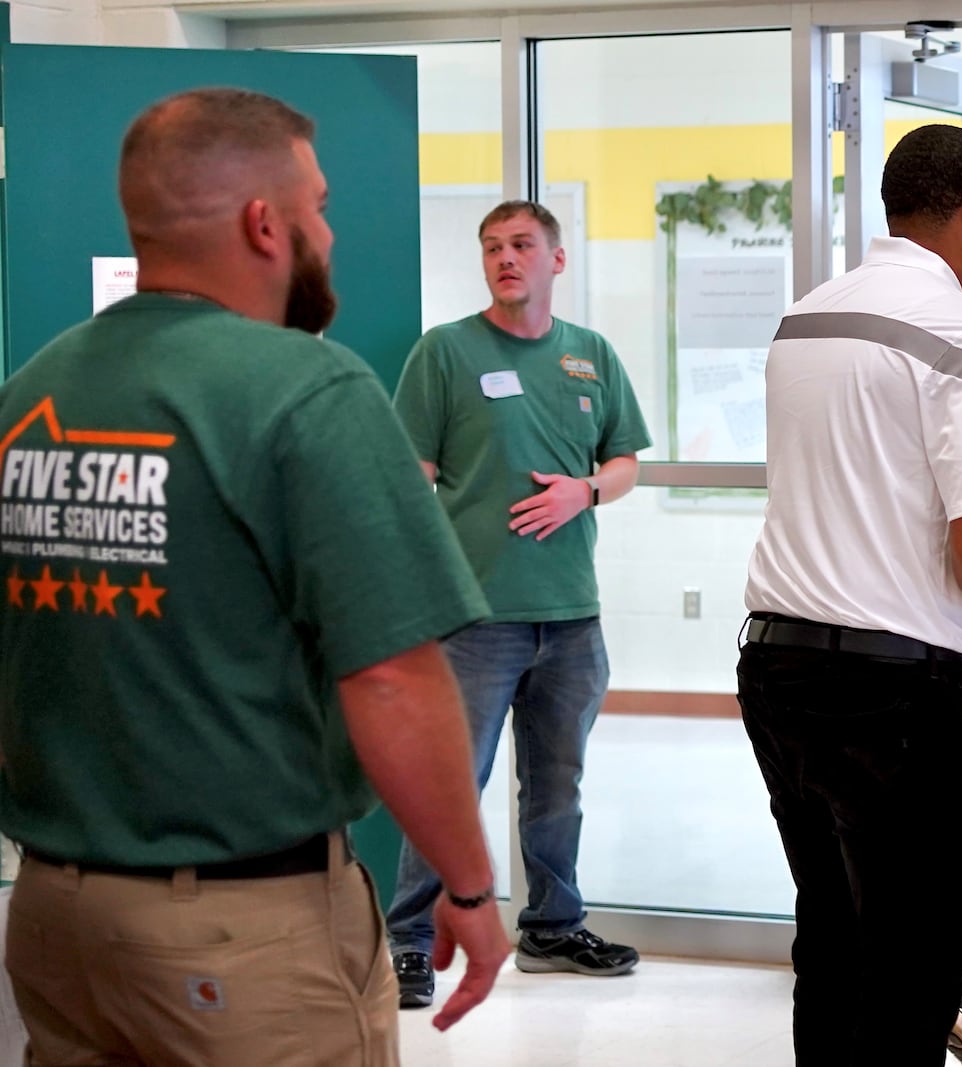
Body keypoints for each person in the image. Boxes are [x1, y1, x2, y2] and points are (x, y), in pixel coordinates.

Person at [0, 88, 508, 1066]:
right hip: (239, 935)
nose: (328, 230)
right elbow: (395, 676)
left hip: (55, 920)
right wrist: (471, 885)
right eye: (317, 206)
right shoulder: (307, 390)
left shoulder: (36, 390)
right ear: (264, 225)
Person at [739, 123, 962, 1066]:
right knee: (910, 984)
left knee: (831, 947)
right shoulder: (960, 337)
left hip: (777, 670)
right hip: (898, 702)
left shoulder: (807, 318)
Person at [386, 200, 652, 1006]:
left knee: (558, 783)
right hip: (475, 620)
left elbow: (626, 461)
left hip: (572, 614)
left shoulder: (591, 357)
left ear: (556, 261)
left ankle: (553, 927)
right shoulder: (445, 353)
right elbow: (410, 478)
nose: (507, 258)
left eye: (523, 245)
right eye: (494, 247)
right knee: (447, 783)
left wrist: (588, 491)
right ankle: (408, 944)